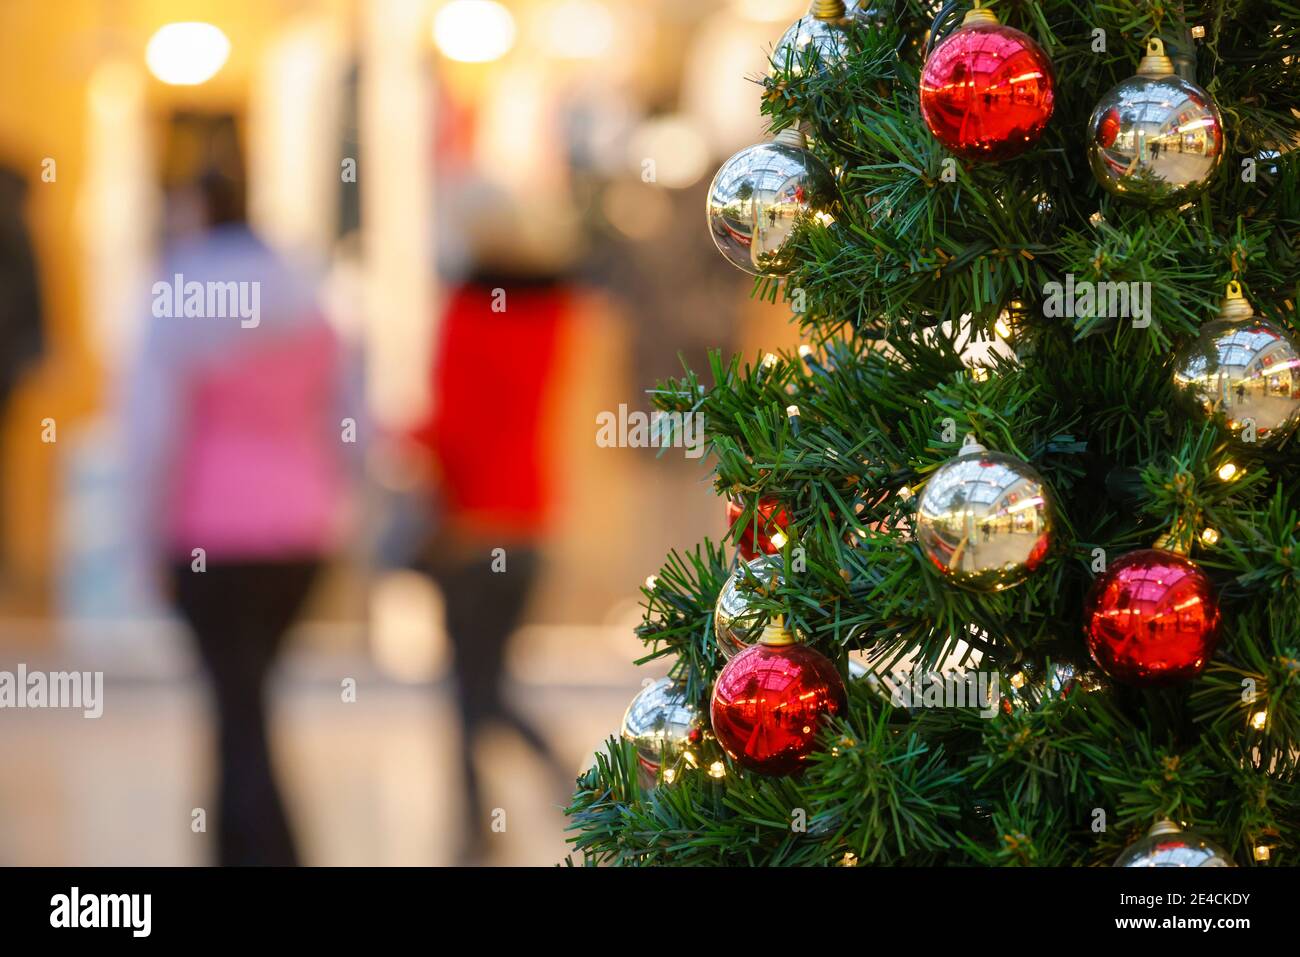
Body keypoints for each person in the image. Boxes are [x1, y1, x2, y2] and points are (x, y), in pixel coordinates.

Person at [126, 168, 354, 866]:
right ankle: (236, 844)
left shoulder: (181, 295)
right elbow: (349, 417)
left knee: (237, 702)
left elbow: (151, 435)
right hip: (302, 531)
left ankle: (268, 850)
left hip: (210, 537)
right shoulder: (310, 290)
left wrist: (141, 541)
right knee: (242, 699)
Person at [409, 267, 572, 865]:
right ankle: (532, 792)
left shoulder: (465, 313)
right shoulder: (555, 316)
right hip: (531, 523)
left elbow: (452, 425)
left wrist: (402, 442)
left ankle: (480, 822)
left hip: (470, 530)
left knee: (468, 689)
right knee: (488, 683)